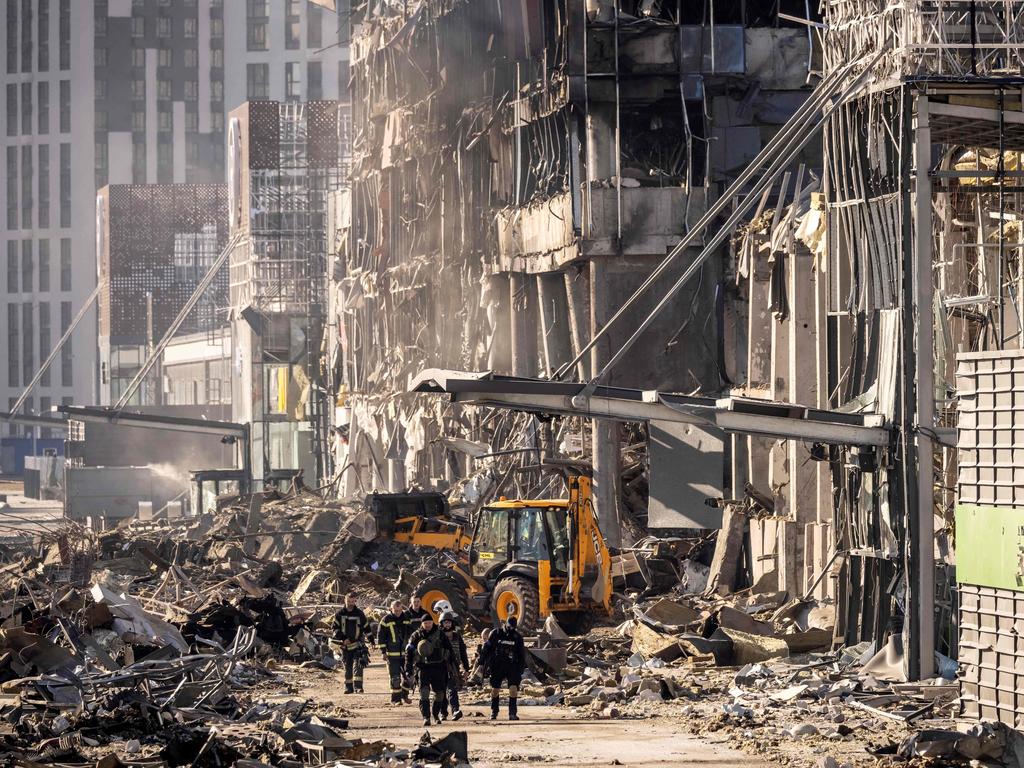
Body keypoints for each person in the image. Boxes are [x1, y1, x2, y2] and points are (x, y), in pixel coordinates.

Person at [404, 613, 454, 726]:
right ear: (422, 624)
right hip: (423, 668)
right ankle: (426, 717)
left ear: (433, 622)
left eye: (429, 623)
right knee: (424, 693)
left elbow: (449, 650)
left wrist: (452, 666)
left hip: (438, 668)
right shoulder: (416, 636)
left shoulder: (440, 634)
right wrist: (408, 669)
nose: (428, 625)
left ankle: (435, 715)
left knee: (440, 694)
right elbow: (409, 653)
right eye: (425, 623)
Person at [480, 614, 526, 720]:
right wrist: (481, 663)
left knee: (513, 689)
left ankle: (512, 713)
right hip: (497, 665)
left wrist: (520, 669)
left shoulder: (517, 637)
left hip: (512, 665)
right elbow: (486, 649)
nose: (511, 629)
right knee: (495, 689)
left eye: (513, 627)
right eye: (510, 627)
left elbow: (522, 654)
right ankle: (494, 711)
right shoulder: (496, 633)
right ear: (505, 624)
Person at [333, 593, 369, 694]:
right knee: (347, 665)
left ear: (355, 601)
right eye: (349, 601)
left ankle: (358, 687)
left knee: (358, 664)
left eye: (352, 601)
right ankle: (348, 687)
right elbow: (335, 628)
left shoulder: (359, 614)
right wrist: (343, 639)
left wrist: (371, 639)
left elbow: (366, 627)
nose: (351, 603)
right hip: (345, 645)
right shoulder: (339, 614)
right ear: (345, 600)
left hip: (358, 644)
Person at [377, 599, 411, 704]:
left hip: (405, 654)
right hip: (392, 654)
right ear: (391, 609)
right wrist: (383, 652)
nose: (397, 612)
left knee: (409, 676)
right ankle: (396, 700)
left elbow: (410, 634)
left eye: (399, 610)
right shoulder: (385, 620)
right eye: (395, 610)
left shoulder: (406, 618)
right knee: (395, 677)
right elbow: (381, 636)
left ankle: (404, 694)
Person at [438, 610, 470, 721]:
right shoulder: (438, 636)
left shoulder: (457, 637)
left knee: (452, 689)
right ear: (441, 623)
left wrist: (466, 668)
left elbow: (463, 653)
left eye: (449, 622)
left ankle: (455, 710)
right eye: (445, 622)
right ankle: (443, 712)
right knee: (441, 691)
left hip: (453, 667)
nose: (447, 624)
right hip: (440, 666)